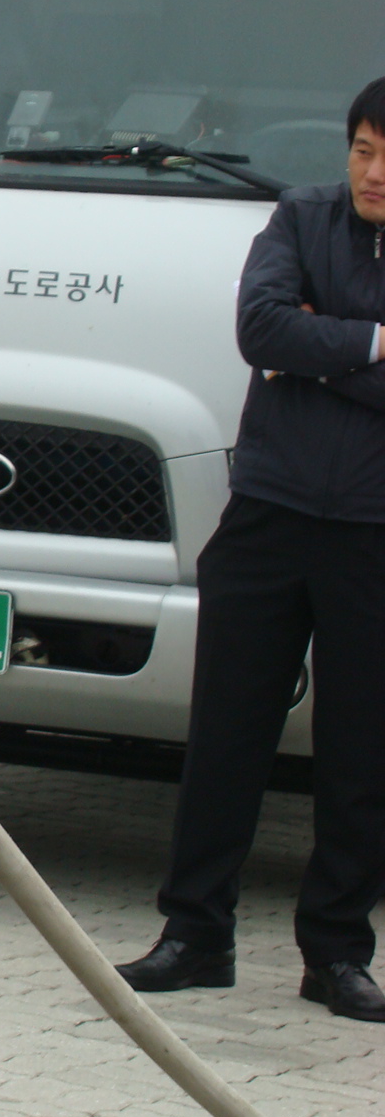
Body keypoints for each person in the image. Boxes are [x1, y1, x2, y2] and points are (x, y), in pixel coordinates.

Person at [119, 78, 385, 1025]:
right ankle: (195, 934)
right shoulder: (302, 217)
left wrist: (318, 351)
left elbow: (290, 344)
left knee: (361, 753)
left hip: (372, 533)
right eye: (362, 150)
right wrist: (374, 345)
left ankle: (337, 953)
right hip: (267, 518)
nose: (373, 173)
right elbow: (259, 328)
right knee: (226, 735)